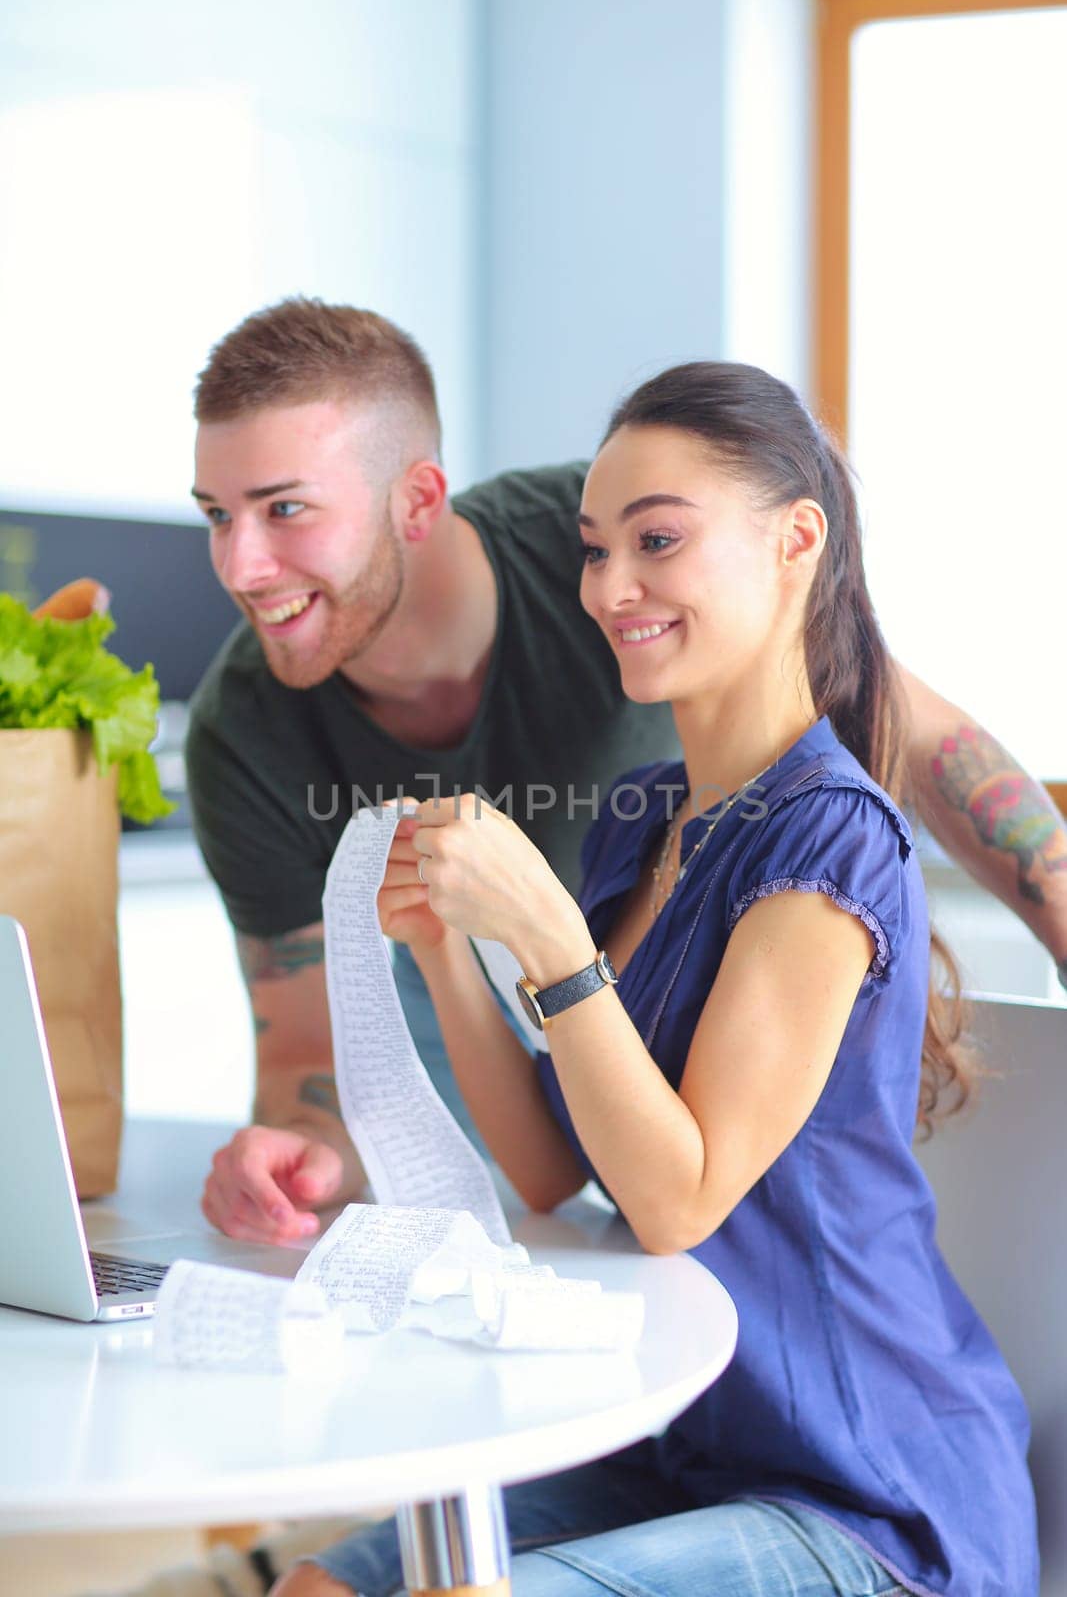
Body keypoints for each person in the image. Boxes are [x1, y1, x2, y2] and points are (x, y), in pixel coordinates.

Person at [274, 361, 1038, 1597]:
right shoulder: (644, 818)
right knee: (324, 1584)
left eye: (657, 540)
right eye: (592, 548)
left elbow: (676, 1198)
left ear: (796, 542)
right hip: (679, 1436)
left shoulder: (833, 838)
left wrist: (550, 942)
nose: (610, 588)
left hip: (863, 1491)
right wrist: (444, 942)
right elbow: (549, 1163)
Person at [186, 298, 1067, 1254]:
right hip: (545, 1198)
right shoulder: (625, 822)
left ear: (418, 500)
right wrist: (311, 1143)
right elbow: (351, 1078)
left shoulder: (818, 829)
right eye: (216, 516)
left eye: (284, 509)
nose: (239, 564)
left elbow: (898, 717)